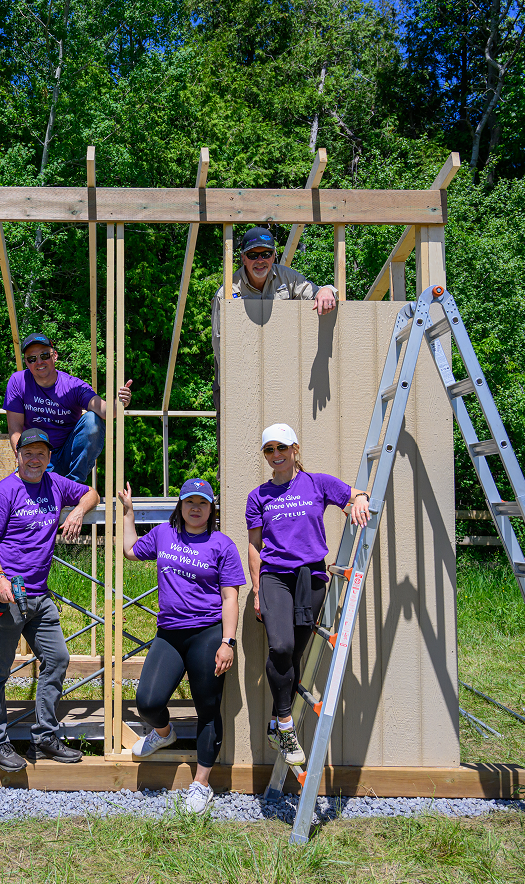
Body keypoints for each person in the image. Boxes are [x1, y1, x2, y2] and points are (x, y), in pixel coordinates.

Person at [0, 427, 100, 772]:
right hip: (8, 594)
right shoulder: (3, 492)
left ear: (48, 458)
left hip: (39, 596)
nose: (34, 459)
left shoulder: (55, 484)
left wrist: (77, 511)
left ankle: (44, 737)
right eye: (28, 453)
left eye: (41, 454)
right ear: (17, 456)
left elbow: (92, 493)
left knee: (57, 658)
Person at [117, 477, 243, 814]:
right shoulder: (163, 534)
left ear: (211, 509)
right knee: (148, 701)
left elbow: (230, 598)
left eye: (203, 503)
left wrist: (227, 642)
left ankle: (201, 783)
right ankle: (163, 733)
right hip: (170, 633)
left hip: (208, 634)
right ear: (181, 506)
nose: (196, 508)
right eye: (190, 502)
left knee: (207, 709)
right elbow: (130, 551)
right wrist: (128, 513)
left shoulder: (222, 545)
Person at [246, 423, 370, 765]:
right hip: (274, 578)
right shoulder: (258, 496)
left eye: (281, 448)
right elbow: (254, 546)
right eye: (269, 450)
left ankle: (276, 721)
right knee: (281, 647)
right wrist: (256, 589)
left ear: (295, 449)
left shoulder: (317, 483)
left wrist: (360, 500)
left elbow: (355, 494)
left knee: (295, 653)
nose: (276, 455)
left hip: (311, 578)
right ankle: (286, 728)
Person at [210, 226, 339, 408]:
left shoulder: (288, 278)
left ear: (274, 255)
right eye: (253, 255)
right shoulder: (228, 292)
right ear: (243, 258)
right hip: (238, 375)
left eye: (266, 254)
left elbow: (315, 293)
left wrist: (327, 290)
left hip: (280, 374)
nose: (260, 261)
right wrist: (235, 383)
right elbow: (219, 343)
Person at [4, 332, 133, 483]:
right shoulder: (18, 382)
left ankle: (74, 484)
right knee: (14, 490)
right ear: (26, 362)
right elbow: (15, 428)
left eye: (44, 355)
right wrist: (22, 457)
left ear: (55, 356)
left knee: (92, 419)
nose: (39, 362)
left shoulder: (73, 386)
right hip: (37, 457)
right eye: (32, 359)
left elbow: (104, 411)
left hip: (67, 456)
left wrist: (120, 401)